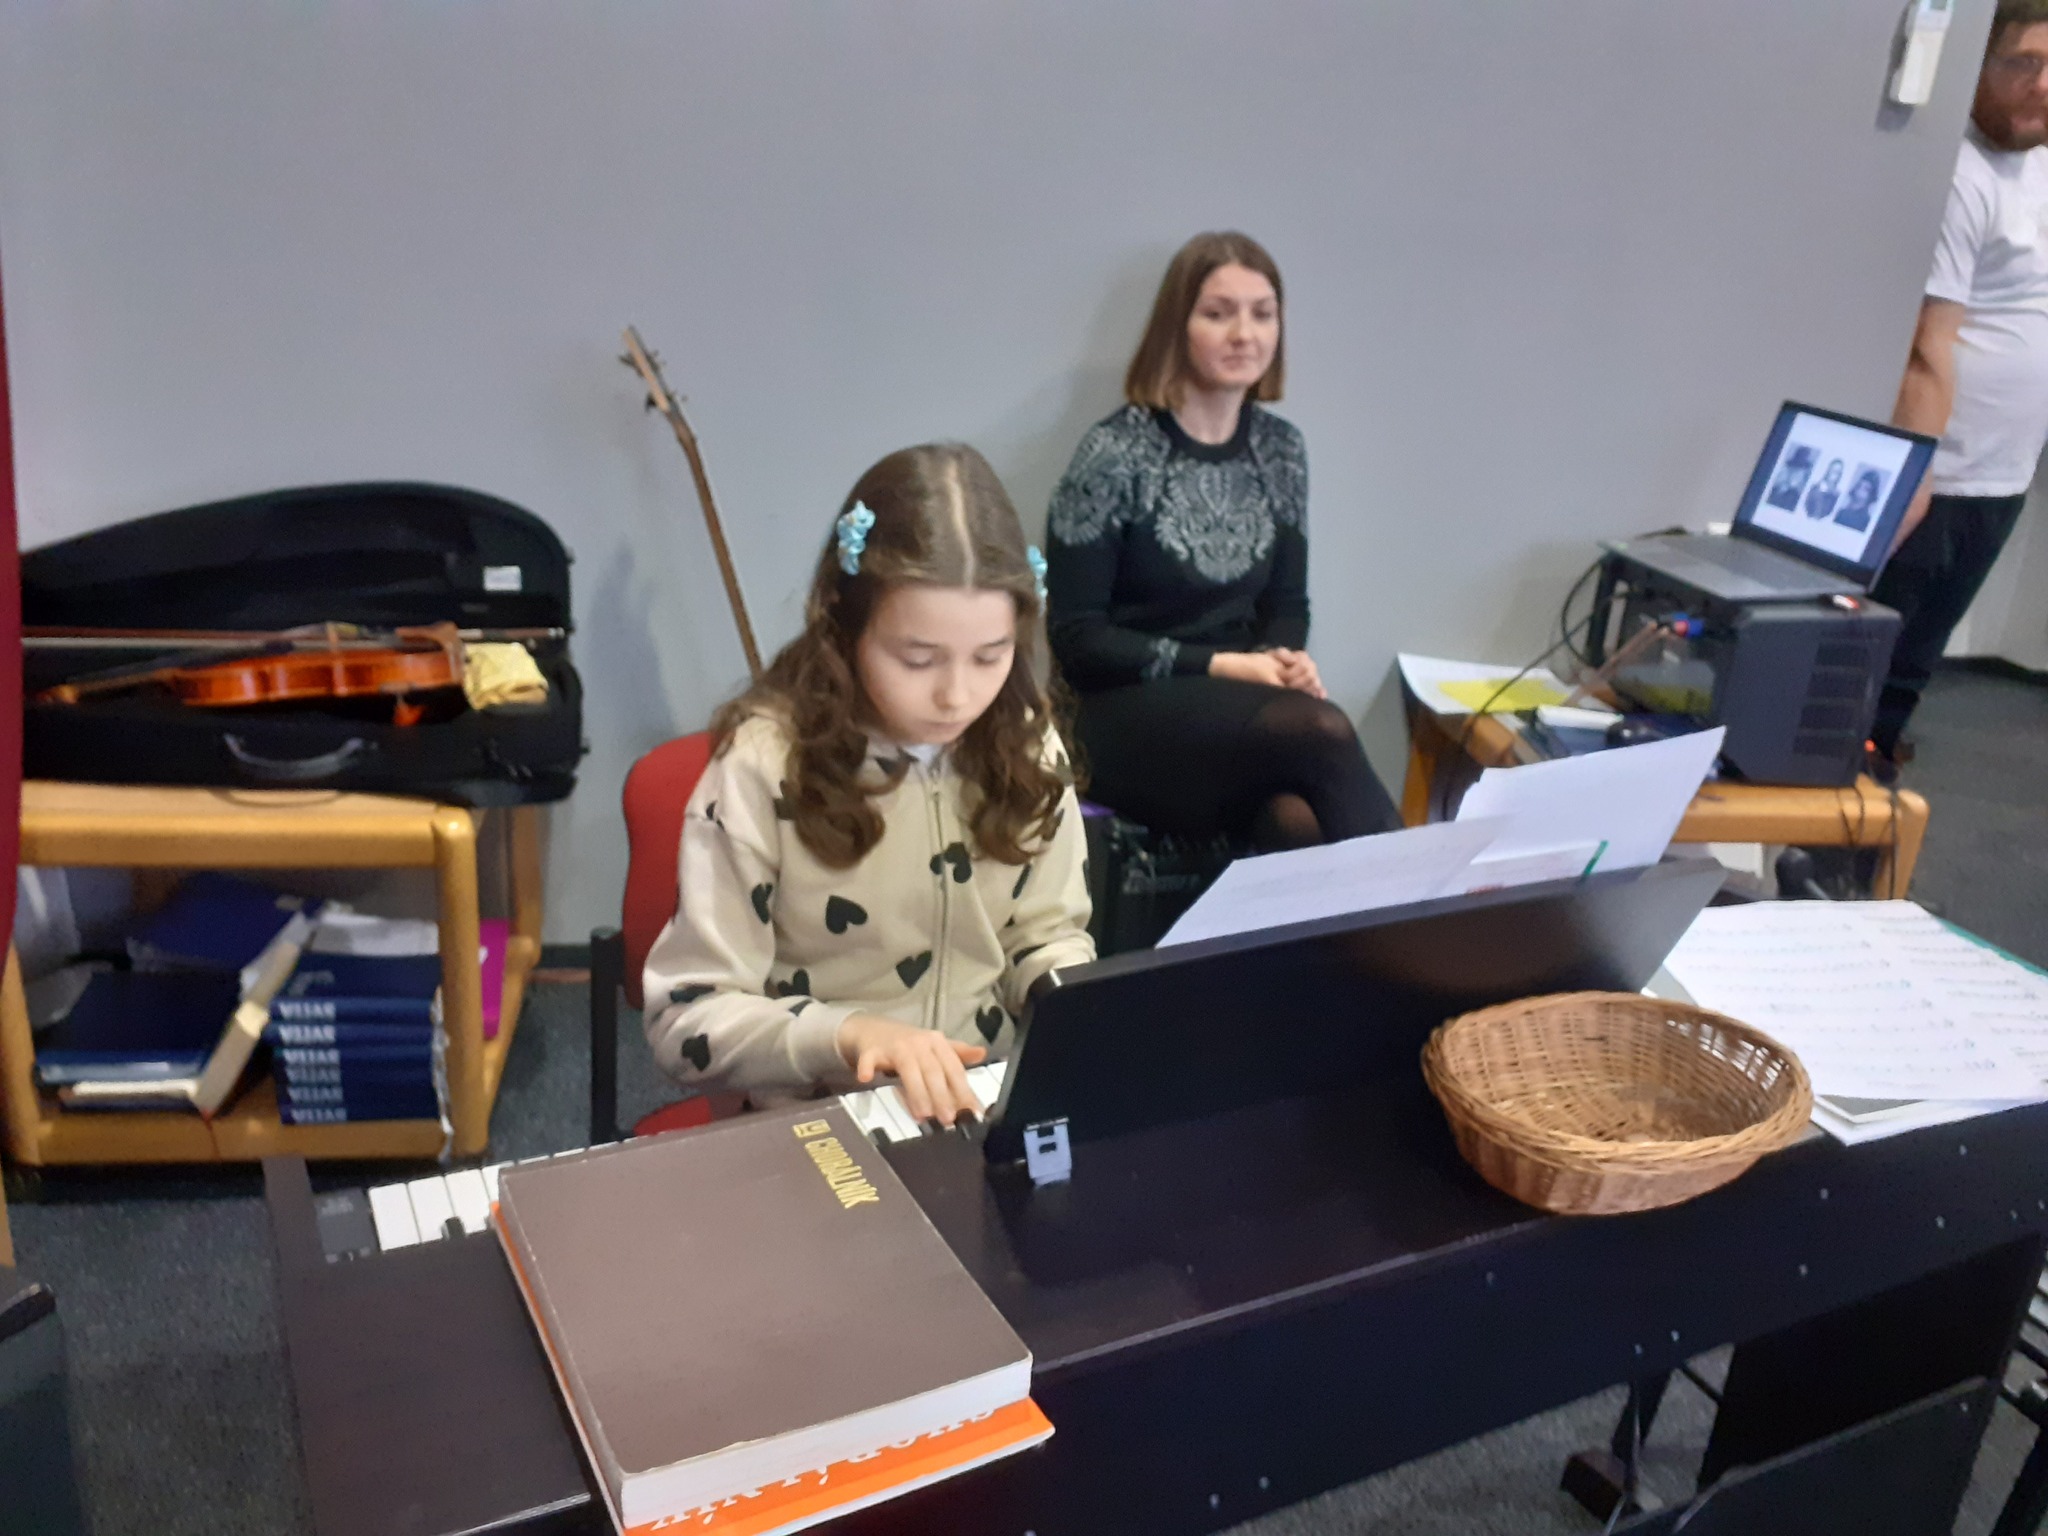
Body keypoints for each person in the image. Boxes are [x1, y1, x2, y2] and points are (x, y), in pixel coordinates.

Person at [643, 443, 1095, 1127]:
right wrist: (849, 1035)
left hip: (982, 1104)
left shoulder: (1026, 742)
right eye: (917, 659)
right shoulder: (764, 766)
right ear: (844, 625)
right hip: (814, 1121)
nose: (957, 695)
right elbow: (687, 1018)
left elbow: (1046, 936)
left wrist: (1071, 1005)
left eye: (990, 656)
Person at [1043, 231, 1400, 851]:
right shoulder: (1113, 452)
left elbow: (1287, 603)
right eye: (1218, 314)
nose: (1244, 334)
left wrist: (1283, 659)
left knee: (1295, 821)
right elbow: (1077, 639)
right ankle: (1429, 899)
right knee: (1323, 730)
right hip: (1114, 718)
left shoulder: (1281, 449)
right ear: (1176, 327)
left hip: (1242, 717)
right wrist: (1222, 665)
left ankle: (1385, 911)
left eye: (1263, 314)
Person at [1877, 0, 2048, 763]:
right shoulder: (1960, 174)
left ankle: (1875, 787)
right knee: (1872, 661)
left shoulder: (2039, 167)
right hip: (1943, 475)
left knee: (1917, 660)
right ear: (1979, 65)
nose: (2041, 85)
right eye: (2023, 64)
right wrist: (1915, 475)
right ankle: (1834, 800)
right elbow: (1928, 342)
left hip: (2006, 470)